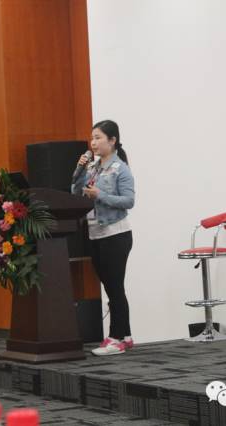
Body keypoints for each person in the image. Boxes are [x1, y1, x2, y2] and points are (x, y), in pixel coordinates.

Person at [71, 119, 135, 356]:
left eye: (98, 138)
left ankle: (116, 339)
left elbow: (129, 201)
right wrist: (79, 170)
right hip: (95, 233)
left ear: (112, 140)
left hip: (116, 234)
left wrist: (100, 195)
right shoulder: (92, 167)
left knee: (115, 287)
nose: (93, 143)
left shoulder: (120, 168)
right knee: (110, 287)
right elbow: (75, 192)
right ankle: (125, 336)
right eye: (92, 138)